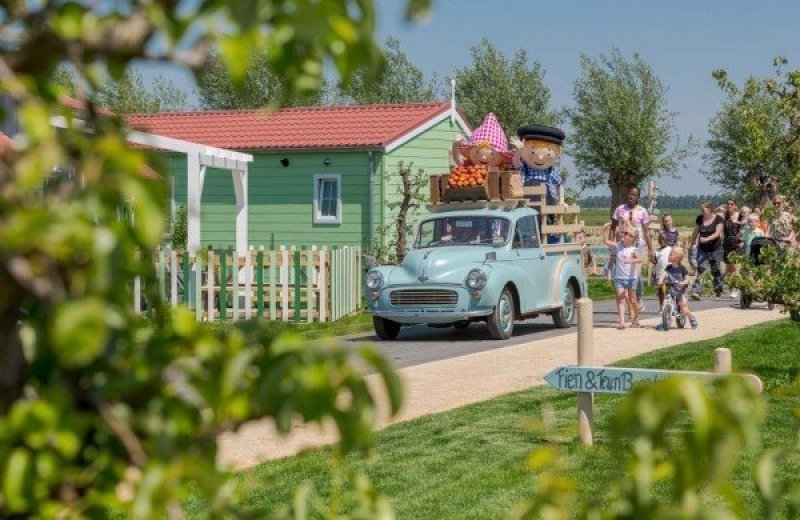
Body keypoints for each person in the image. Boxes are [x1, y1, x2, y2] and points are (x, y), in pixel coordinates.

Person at [610, 186, 654, 312]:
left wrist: (651, 249)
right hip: (623, 244)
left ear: (638, 197)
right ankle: (626, 302)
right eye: (630, 194)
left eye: (634, 195)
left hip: (637, 245)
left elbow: (646, 232)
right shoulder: (619, 209)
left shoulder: (642, 211)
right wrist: (612, 245)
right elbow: (613, 227)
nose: (631, 196)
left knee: (636, 273)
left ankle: (638, 297)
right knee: (624, 272)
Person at [604, 225, 642, 329]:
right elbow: (606, 241)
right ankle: (622, 322)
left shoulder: (634, 249)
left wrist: (630, 261)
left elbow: (640, 260)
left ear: (632, 238)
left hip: (631, 278)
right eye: (623, 233)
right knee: (621, 300)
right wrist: (605, 230)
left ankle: (636, 319)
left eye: (626, 234)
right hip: (619, 278)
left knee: (633, 300)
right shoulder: (618, 246)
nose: (623, 235)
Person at [656, 246, 698, 330]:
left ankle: (691, 317)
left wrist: (683, 282)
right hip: (671, 291)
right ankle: (665, 317)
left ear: (676, 259)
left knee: (684, 308)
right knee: (665, 301)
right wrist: (660, 280)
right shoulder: (668, 267)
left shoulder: (682, 269)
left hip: (680, 292)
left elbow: (687, 279)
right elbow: (664, 274)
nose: (668, 255)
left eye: (671, 254)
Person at [689, 201, 725, 300]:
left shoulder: (718, 219)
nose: (701, 210)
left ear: (709, 209)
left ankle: (718, 288)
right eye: (700, 209)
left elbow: (718, 233)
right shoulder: (700, 219)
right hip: (702, 249)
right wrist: (691, 244)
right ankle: (696, 291)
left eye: (703, 208)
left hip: (715, 249)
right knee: (702, 269)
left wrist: (706, 239)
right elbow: (695, 231)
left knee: (715, 270)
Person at [722, 198, 743, 299]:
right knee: (729, 269)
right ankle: (733, 286)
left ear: (735, 205)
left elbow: (744, 226)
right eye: (728, 204)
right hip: (727, 244)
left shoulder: (739, 215)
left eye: (731, 204)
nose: (729, 206)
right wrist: (721, 208)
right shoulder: (725, 216)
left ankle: (736, 288)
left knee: (736, 268)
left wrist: (742, 239)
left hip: (737, 243)